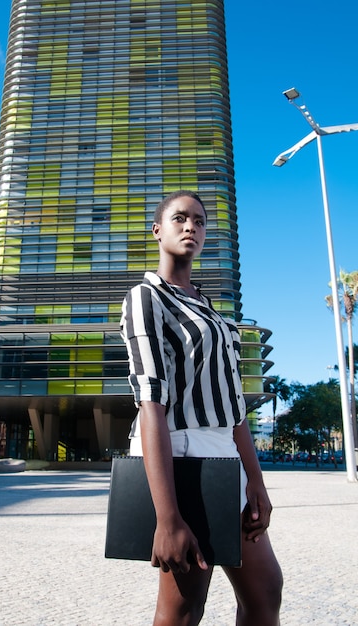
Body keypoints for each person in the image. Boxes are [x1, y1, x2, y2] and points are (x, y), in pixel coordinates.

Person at [120, 190, 283, 626]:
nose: (191, 226)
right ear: (158, 231)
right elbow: (150, 403)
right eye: (179, 218)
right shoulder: (145, 297)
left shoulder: (211, 310)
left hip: (224, 456)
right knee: (185, 607)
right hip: (180, 456)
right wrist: (168, 516)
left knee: (266, 590)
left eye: (199, 221)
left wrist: (257, 483)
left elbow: (234, 408)